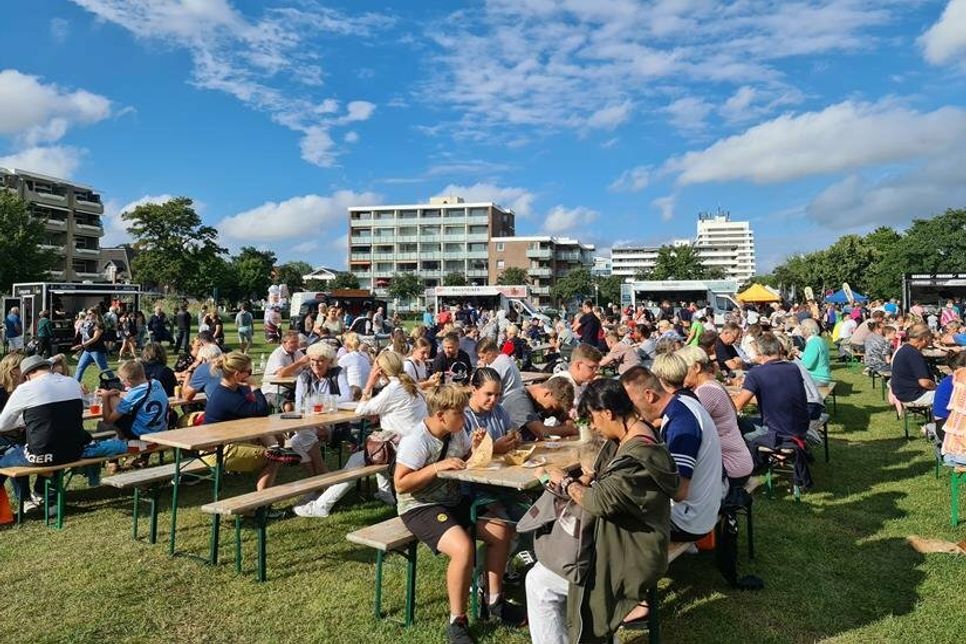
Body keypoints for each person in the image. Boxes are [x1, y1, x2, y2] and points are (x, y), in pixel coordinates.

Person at [526, 379, 678, 643]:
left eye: (594, 419)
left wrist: (564, 480)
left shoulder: (639, 454)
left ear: (608, 413)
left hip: (633, 552)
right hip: (626, 540)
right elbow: (608, 485)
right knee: (543, 575)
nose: (593, 426)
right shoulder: (635, 435)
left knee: (539, 581)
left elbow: (599, 501)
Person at [394, 385, 523, 642]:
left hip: (452, 500)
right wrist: (435, 467)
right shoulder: (416, 440)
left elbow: (462, 460)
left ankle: (494, 601)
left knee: (501, 528)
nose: (465, 418)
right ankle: (458, 621)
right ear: (441, 415)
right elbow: (400, 483)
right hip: (420, 507)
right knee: (463, 548)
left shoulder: (456, 431)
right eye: (460, 413)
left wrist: (476, 449)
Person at [294, 351, 426, 518]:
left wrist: (370, 383)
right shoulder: (411, 385)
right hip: (414, 444)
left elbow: (361, 409)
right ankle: (385, 494)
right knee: (376, 450)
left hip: (402, 448)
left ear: (381, 370)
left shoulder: (393, 389)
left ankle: (321, 506)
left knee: (357, 460)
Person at [0, 355, 125, 508]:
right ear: (48, 368)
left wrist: (27, 419)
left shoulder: (25, 389)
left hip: (43, 455)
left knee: (7, 458)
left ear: (27, 375)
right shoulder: (72, 382)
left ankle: (26, 500)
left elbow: (3, 425)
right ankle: (40, 494)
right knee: (52, 447)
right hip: (75, 451)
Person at [621, 364, 724, 542]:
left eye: (632, 404)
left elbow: (678, 491)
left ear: (649, 395)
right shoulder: (683, 403)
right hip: (704, 508)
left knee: (611, 510)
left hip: (688, 521)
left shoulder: (681, 424)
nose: (632, 411)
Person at [203, 352, 290, 495]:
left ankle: (266, 486)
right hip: (218, 450)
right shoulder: (226, 396)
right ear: (237, 374)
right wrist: (255, 387)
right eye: (249, 372)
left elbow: (257, 415)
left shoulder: (235, 389)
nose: (251, 376)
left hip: (232, 440)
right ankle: (261, 505)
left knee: (278, 439)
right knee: (275, 456)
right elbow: (261, 410)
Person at [677, 346, 754, 487]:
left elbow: (685, 422)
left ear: (696, 367)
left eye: (682, 370)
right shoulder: (713, 385)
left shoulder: (705, 392)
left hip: (730, 467)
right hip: (738, 461)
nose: (679, 375)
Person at [732, 332, 809, 454]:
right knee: (755, 418)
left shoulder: (756, 373)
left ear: (759, 353)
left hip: (776, 435)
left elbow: (737, 405)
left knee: (737, 424)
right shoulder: (793, 368)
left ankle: (743, 462)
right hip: (800, 429)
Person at [290, 341, 350, 476]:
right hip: (308, 422)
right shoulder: (304, 376)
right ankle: (322, 477)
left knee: (297, 441)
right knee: (303, 436)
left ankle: (318, 480)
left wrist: (321, 404)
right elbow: (299, 405)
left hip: (334, 423)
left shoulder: (337, 373)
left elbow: (347, 397)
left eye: (320, 361)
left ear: (330, 361)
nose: (315, 364)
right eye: (312, 360)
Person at [98, 359, 170, 439]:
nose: (122, 383)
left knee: (110, 405)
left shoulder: (134, 394)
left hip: (142, 433)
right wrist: (121, 394)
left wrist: (105, 397)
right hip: (161, 430)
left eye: (122, 381)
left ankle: (119, 441)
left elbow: (108, 420)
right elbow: (140, 394)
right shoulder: (156, 383)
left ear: (129, 381)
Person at [462, 367, 521, 455]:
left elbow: (510, 431)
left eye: (497, 395)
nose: (493, 399)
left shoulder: (500, 411)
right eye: (488, 394)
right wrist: (492, 449)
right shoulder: (462, 416)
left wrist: (514, 438)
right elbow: (462, 456)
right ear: (474, 390)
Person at [501, 378, 576, 440]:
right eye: (551, 407)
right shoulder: (519, 401)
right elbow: (543, 434)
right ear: (547, 393)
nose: (551, 411)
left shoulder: (547, 402)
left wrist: (570, 424)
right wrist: (569, 430)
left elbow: (569, 422)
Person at [890, 323, 937, 406]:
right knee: (951, 395)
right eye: (930, 339)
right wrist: (937, 387)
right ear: (924, 339)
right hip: (914, 395)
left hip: (902, 392)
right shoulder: (914, 354)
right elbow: (924, 383)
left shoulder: (904, 349)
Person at [260, 330, 308, 411]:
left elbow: (307, 364)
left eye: (297, 342)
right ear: (284, 343)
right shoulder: (278, 354)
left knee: (310, 399)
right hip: (274, 390)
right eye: (293, 342)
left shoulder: (297, 353)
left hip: (291, 388)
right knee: (288, 406)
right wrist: (300, 363)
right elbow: (281, 374)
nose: (296, 345)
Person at [549, 342, 602, 406]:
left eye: (597, 368)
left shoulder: (583, 383)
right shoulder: (560, 384)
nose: (596, 371)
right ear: (578, 365)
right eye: (592, 367)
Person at [73, 309, 110, 383]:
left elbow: (95, 338)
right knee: (80, 367)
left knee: (103, 368)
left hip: (97, 350)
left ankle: (116, 381)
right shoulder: (89, 324)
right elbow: (82, 333)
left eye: (90, 314)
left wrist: (82, 345)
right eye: (87, 314)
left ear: (95, 314)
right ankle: (74, 384)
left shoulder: (99, 325)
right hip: (88, 350)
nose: (88, 315)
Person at [337, 332, 372, 398]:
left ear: (347, 345)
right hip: (366, 391)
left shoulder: (348, 357)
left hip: (354, 393)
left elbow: (334, 369)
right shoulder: (365, 355)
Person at [799, 319, 832, 386]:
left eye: (801, 329)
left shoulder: (813, 342)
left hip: (817, 377)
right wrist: (799, 353)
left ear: (806, 330)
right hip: (823, 376)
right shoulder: (819, 340)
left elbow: (807, 365)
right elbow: (813, 357)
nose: (800, 331)